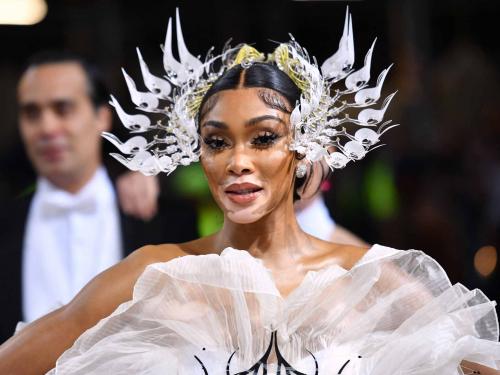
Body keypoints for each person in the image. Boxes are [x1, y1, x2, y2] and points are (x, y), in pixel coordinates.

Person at [0, 10, 499, 374]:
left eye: (263, 138)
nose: (238, 161)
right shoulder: (153, 277)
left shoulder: (372, 282)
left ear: (302, 147)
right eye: (217, 142)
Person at [0, 51, 197, 343]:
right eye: (32, 113)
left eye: (63, 109)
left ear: (102, 116)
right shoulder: (5, 224)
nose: (47, 128)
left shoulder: (162, 217)